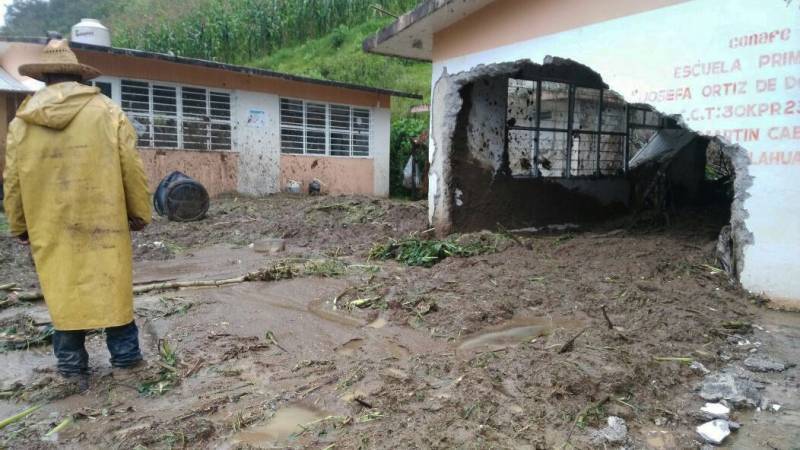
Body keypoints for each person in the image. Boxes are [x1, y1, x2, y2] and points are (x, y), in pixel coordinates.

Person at [2, 40, 152, 389]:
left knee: (63, 290)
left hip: (50, 224)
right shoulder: (106, 111)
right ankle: (127, 363)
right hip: (104, 220)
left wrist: (20, 224)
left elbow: (12, 182)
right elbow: (131, 167)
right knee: (112, 287)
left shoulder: (21, 122)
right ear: (78, 76)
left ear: (44, 78)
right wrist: (139, 213)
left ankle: (72, 370)